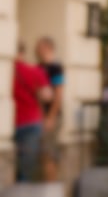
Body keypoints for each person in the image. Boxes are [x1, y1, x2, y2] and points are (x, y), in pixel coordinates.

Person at [13, 41, 52, 182]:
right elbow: (47, 96)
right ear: (23, 53)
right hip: (31, 122)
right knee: (25, 167)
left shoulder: (7, 70)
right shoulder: (35, 71)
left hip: (10, 122)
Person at [34, 36, 64, 181]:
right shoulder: (38, 67)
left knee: (48, 154)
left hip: (50, 117)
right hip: (39, 116)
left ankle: (52, 187)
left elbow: (58, 94)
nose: (36, 50)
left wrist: (51, 117)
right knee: (43, 154)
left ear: (48, 48)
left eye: (40, 46)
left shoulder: (56, 68)